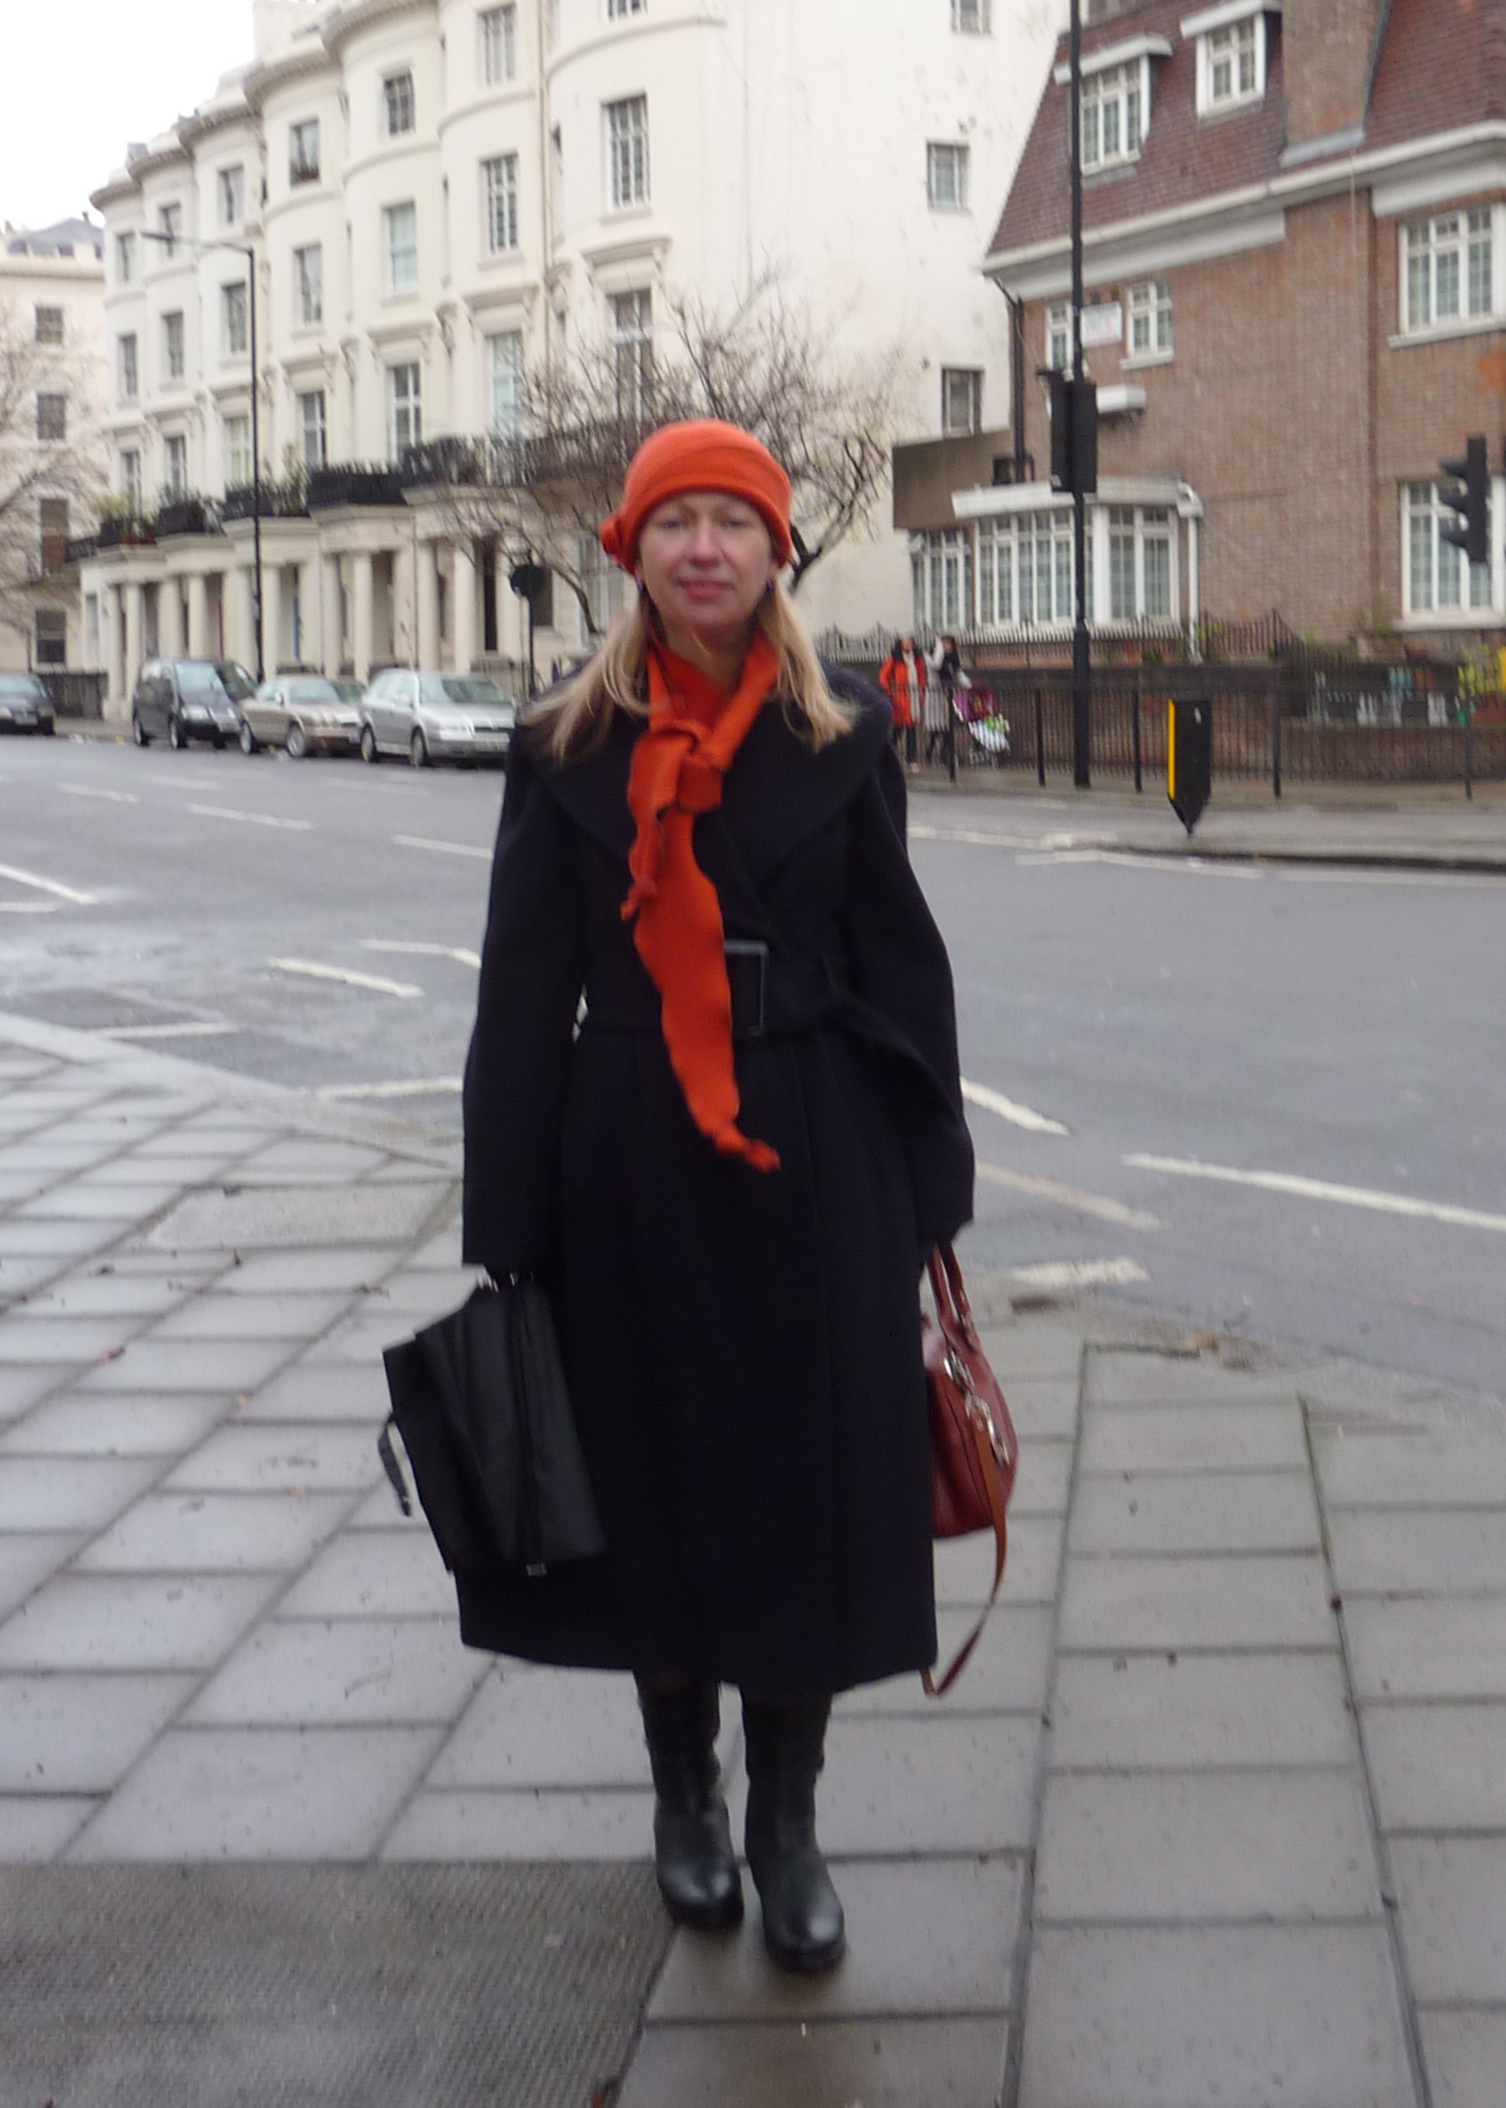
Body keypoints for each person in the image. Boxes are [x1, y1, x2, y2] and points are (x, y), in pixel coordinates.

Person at [460, 420, 974, 1974]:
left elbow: (901, 966)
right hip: (627, 1155)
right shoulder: (565, 746)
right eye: (674, 522)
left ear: (774, 550)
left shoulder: (844, 735)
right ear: (631, 552)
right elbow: (518, 998)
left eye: (731, 523)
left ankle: (786, 1821)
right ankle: (684, 1794)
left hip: (812, 1145)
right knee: (656, 1488)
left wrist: (928, 1187)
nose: (703, 549)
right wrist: (508, 1229)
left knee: (805, 1494)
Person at [877, 634, 923, 770]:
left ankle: (912, 760)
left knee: (911, 730)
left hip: (913, 698)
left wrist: (921, 691)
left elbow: (921, 676)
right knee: (897, 730)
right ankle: (887, 756)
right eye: (906, 641)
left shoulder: (917, 659)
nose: (909, 643)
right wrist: (890, 691)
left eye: (910, 641)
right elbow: (883, 676)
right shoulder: (895, 658)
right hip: (901, 698)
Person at [924, 633, 966, 764]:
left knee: (944, 726)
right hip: (934, 695)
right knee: (939, 726)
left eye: (950, 644)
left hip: (945, 695)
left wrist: (970, 685)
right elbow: (935, 665)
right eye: (945, 644)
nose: (947, 647)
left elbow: (959, 674)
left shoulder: (951, 660)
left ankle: (937, 752)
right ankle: (938, 753)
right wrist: (939, 648)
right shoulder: (932, 657)